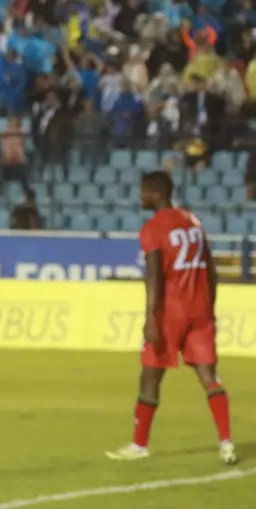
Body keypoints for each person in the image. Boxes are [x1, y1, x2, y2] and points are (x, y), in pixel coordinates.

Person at [106, 171, 236, 465]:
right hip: (200, 310)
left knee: (150, 376)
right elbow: (211, 270)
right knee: (209, 376)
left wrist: (152, 318)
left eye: (143, 192)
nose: (140, 197)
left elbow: (154, 279)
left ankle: (139, 445)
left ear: (156, 192)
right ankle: (226, 442)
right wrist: (209, 306)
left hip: (170, 314)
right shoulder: (193, 222)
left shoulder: (153, 228)